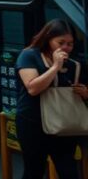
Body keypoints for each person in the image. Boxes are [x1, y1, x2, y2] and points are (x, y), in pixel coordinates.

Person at [16, 19, 88, 179]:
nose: (66, 47)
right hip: (33, 124)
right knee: (34, 170)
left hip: (64, 124)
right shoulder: (29, 55)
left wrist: (85, 92)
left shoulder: (75, 63)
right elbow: (33, 88)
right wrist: (55, 66)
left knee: (69, 171)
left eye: (70, 43)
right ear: (48, 39)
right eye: (60, 42)